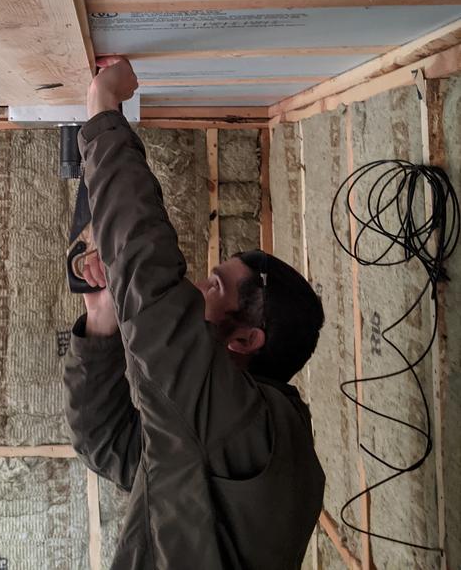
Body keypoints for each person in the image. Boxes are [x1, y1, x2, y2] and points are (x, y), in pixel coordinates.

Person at [64, 57, 325, 570]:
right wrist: (103, 320)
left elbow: (154, 291)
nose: (191, 293)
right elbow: (114, 444)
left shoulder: (248, 430)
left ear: (247, 340)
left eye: (212, 286)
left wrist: (104, 113)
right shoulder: (240, 432)